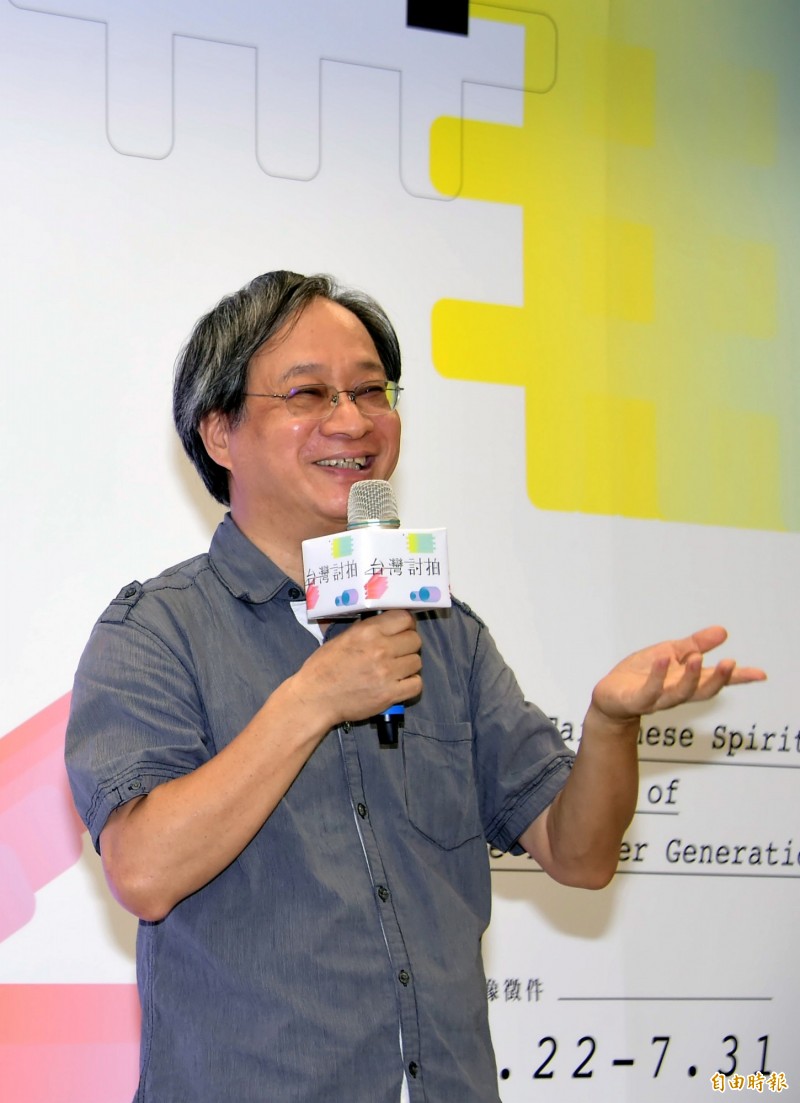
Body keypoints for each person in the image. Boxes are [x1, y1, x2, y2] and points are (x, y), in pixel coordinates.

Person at [65, 270, 765, 1103]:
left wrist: (610, 723)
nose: (353, 420)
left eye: (372, 391)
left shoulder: (442, 630)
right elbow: (143, 871)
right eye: (309, 394)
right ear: (220, 431)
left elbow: (578, 855)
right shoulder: (156, 630)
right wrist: (314, 697)